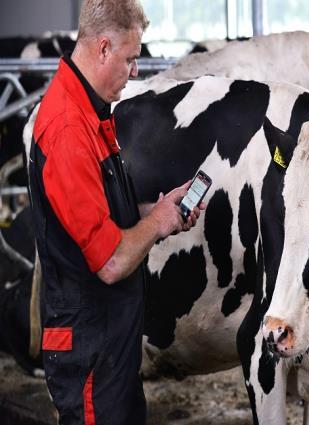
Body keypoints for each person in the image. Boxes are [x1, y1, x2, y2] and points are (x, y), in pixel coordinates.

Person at [28, 1, 203, 423]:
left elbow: (101, 213)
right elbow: (109, 261)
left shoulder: (91, 113)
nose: (135, 71)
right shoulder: (69, 131)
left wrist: (159, 210)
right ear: (103, 49)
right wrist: (158, 223)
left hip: (110, 344)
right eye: (130, 58)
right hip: (90, 350)